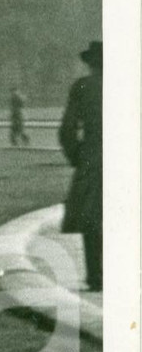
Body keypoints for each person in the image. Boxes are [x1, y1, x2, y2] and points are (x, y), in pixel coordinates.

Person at [59, 40, 103, 292]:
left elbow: (66, 131)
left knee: (91, 219)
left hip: (91, 158)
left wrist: (78, 156)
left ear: (90, 64)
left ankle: (95, 276)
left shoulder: (82, 87)